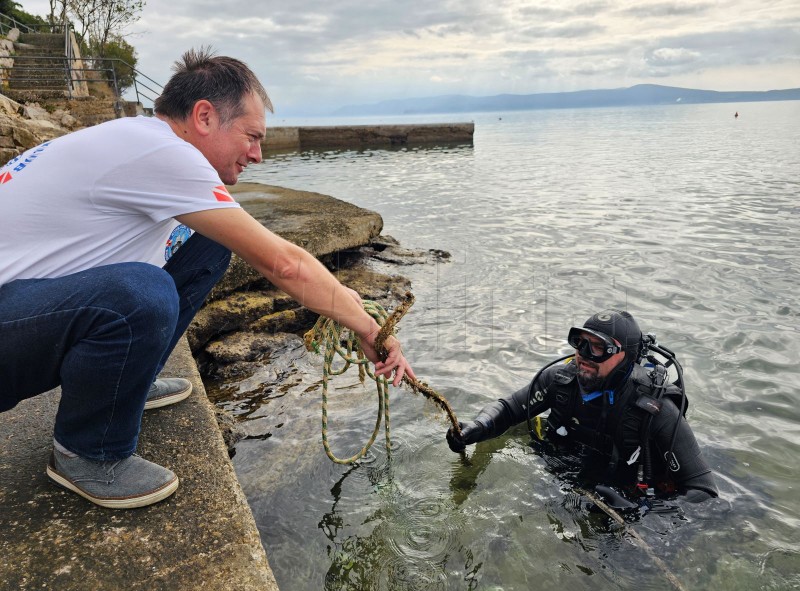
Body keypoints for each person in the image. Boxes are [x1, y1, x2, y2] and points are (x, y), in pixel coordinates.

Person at [0, 48, 414, 509]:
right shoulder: (164, 154)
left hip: (17, 307)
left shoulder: (136, 138)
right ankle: (88, 451)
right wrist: (368, 327)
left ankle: (129, 382)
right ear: (203, 116)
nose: (257, 155)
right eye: (251, 137)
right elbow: (284, 263)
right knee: (141, 293)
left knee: (208, 243)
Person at [446, 309, 718, 506]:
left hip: (624, 495)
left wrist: (642, 508)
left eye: (599, 348)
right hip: (567, 474)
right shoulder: (559, 380)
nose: (584, 355)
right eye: (581, 343)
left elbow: (703, 491)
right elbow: (509, 409)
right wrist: (477, 427)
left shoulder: (655, 409)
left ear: (627, 356)